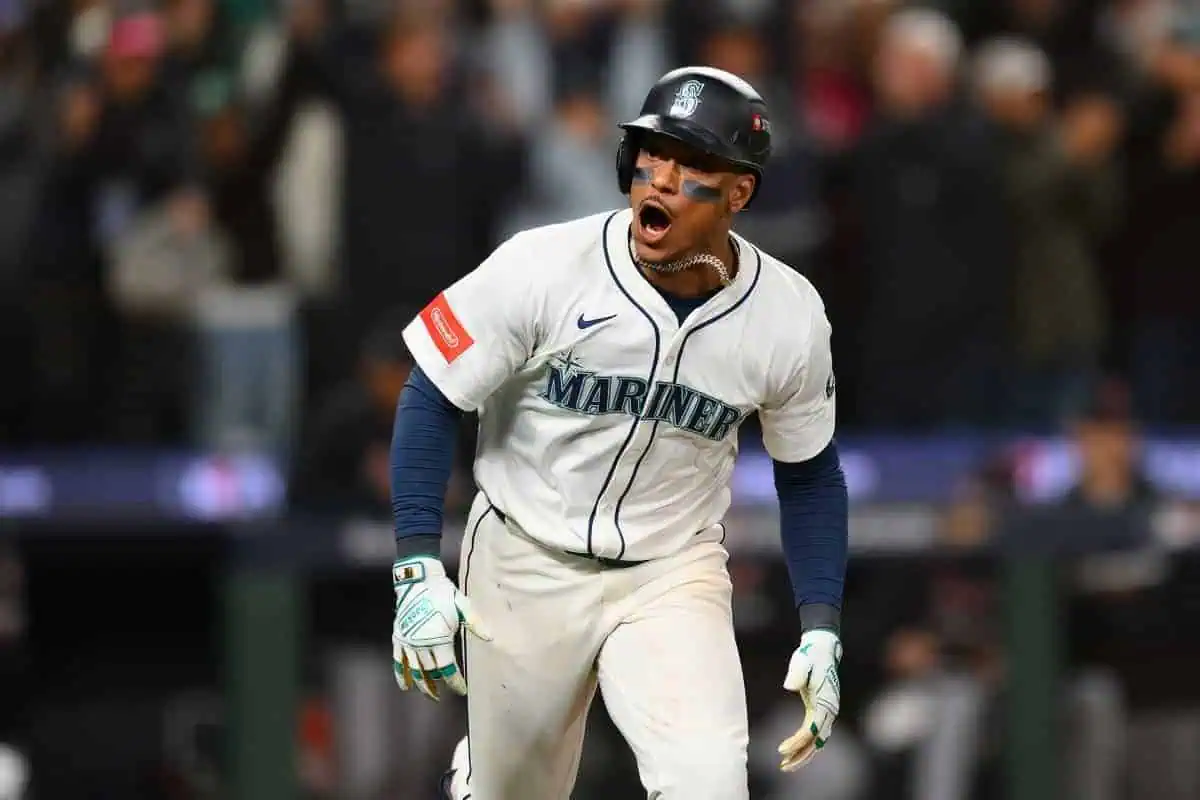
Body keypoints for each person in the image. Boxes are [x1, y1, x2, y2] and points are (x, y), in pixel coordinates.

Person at [387, 67, 849, 800]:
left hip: (671, 570)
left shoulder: (787, 315)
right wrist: (416, 565)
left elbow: (810, 473)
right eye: (651, 152)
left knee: (708, 784)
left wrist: (821, 624)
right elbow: (430, 392)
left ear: (739, 192)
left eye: (691, 162)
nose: (660, 178)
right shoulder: (545, 264)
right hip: (525, 556)